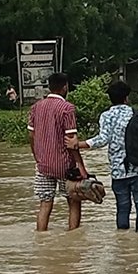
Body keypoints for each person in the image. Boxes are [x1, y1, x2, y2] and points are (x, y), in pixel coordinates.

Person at [67, 81, 138, 233]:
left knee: (122, 206)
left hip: (118, 172)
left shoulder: (106, 116)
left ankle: (122, 240)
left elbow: (102, 139)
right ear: (126, 98)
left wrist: (78, 144)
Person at [28, 73, 88, 231]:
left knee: (45, 203)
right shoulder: (67, 108)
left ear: (49, 86)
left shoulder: (36, 107)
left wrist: (37, 157)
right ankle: (73, 236)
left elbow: (31, 135)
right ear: (65, 87)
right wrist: (80, 166)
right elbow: (71, 140)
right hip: (65, 165)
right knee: (73, 201)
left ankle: (41, 236)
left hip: (43, 165)